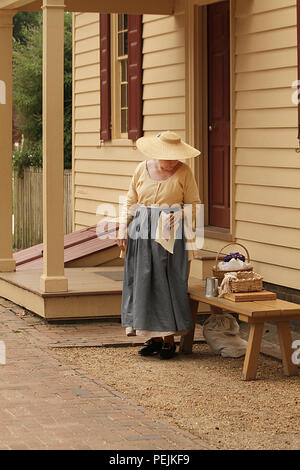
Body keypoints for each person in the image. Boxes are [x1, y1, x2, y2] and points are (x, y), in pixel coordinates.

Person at [117, 131, 201, 359]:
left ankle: (168, 341)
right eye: (168, 156)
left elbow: (195, 205)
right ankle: (152, 338)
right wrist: (123, 227)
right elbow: (131, 201)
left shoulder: (184, 171)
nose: (173, 161)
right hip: (141, 231)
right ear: (156, 153)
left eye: (176, 156)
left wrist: (181, 213)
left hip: (169, 233)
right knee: (143, 281)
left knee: (165, 281)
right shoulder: (141, 169)